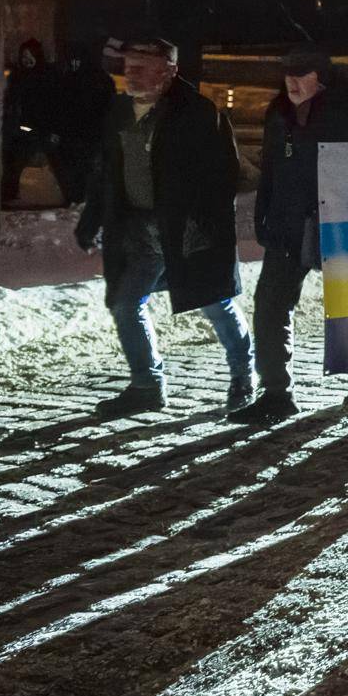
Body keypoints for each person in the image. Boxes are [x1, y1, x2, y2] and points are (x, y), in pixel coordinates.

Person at [74, 33, 254, 417]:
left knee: (214, 303)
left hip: (186, 232)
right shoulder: (120, 111)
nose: (132, 75)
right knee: (125, 303)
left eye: (142, 68)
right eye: (128, 68)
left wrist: (201, 225)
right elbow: (105, 172)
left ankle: (243, 376)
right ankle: (146, 385)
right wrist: (91, 220)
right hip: (138, 232)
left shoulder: (199, 114)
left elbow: (224, 176)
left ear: (169, 71)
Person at [235, 44, 348, 424]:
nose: (293, 83)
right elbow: (272, 167)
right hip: (286, 225)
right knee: (270, 306)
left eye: (303, 75)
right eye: (288, 75)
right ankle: (276, 392)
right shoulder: (278, 113)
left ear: (321, 77)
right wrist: (265, 215)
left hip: (337, 223)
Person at [55, 42, 117, 205]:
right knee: (80, 168)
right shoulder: (97, 79)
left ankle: (78, 199)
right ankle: (78, 199)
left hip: (83, 134)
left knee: (80, 168)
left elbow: (106, 109)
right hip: (82, 134)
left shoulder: (89, 79)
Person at [2, 38, 60, 204]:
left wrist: (53, 131)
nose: (26, 59)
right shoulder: (18, 76)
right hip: (23, 128)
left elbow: (55, 106)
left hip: (43, 129)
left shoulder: (47, 76)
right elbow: (10, 101)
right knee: (12, 154)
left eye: (29, 55)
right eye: (23, 56)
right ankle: (8, 195)